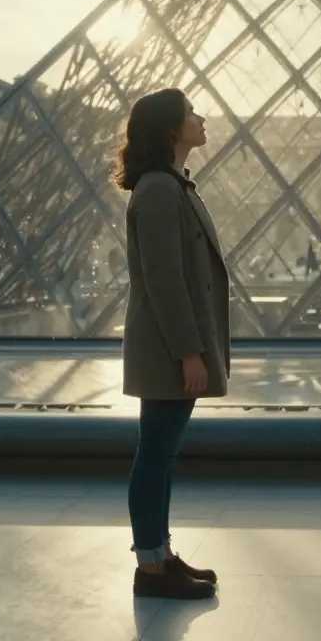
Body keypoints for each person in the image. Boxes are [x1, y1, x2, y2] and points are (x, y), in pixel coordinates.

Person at [115, 88, 231, 600]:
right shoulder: (161, 190)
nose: (201, 119)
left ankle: (159, 556)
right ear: (170, 130)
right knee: (156, 455)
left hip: (171, 343)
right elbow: (164, 280)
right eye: (191, 114)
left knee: (160, 454)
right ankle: (150, 566)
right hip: (169, 347)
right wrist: (190, 352)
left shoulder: (172, 185)